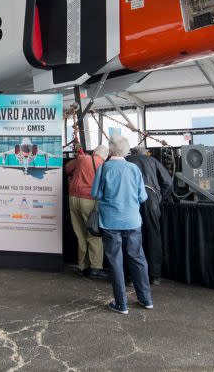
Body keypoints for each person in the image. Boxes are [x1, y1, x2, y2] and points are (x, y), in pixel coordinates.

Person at [91, 135, 152, 315]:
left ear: (110, 150)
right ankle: (146, 299)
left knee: (115, 261)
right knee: (138, 258)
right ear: (126, 150)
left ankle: (121, 304)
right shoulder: (134, 169)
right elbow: (143, 197)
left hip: (110, 221)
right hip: (133, 220)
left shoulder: (104, 168)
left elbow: (96, 193)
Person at [125, 145, 171, 285]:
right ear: (145, 153)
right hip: (151, 199)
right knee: (153, 235)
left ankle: (131, 276)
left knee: (131, 236)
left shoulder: (126, 160)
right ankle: (155, 275)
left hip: (130, 198)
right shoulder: (153, 161)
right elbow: (168, 182)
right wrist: (159, 197)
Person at [65, 144, 108, 279]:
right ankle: (95, 267)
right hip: (89, 200)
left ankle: (83, 266)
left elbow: (67, 169)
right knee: (93, 233)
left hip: (73, 198)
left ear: (94, 152)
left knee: (80, 234)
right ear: (105, 156)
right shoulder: (104, 165)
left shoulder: (83, 159)